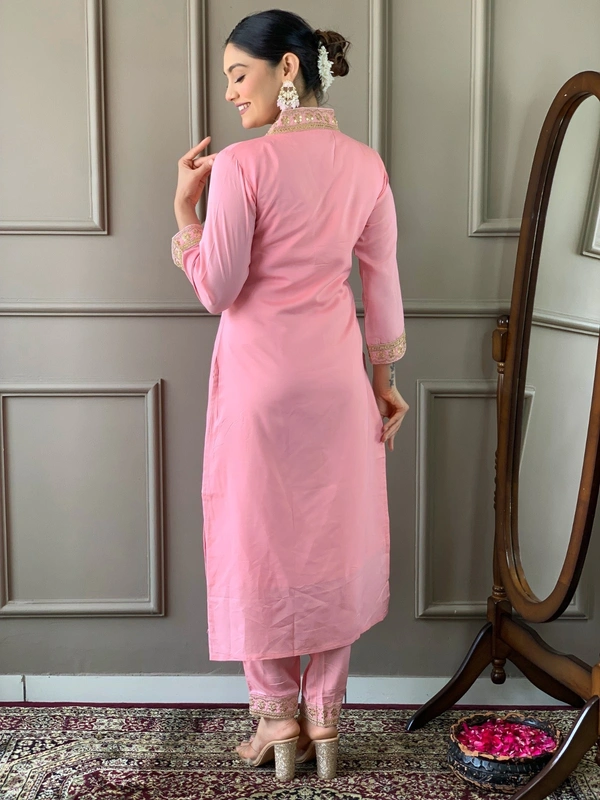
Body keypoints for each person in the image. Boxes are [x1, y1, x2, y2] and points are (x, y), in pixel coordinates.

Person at [171, 9, 409, 783]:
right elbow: (382, 284)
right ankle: (325, 718)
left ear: (288, 69)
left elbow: (217, 288)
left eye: (239, 74)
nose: (231, 92)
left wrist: (184, 214)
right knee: (334, 542)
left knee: (257, 544)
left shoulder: (243, 166)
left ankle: (277, 720)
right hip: (338, 384)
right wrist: (385, 385)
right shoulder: (366, 165)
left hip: (259, 386)